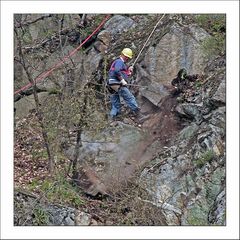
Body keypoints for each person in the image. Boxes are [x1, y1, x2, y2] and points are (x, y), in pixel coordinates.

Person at [107, 48, 146, 123]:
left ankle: (112, 118)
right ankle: (139, 115)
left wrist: (128, 71)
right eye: (127, 57)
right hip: (117, 84)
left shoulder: (119, 63)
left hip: (111, 85)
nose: (127, 59)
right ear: (124, 55)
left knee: (115, 103)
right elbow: (116, 71)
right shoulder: (119, 61)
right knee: (129, 98)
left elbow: (121, 72)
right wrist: (121, 80)